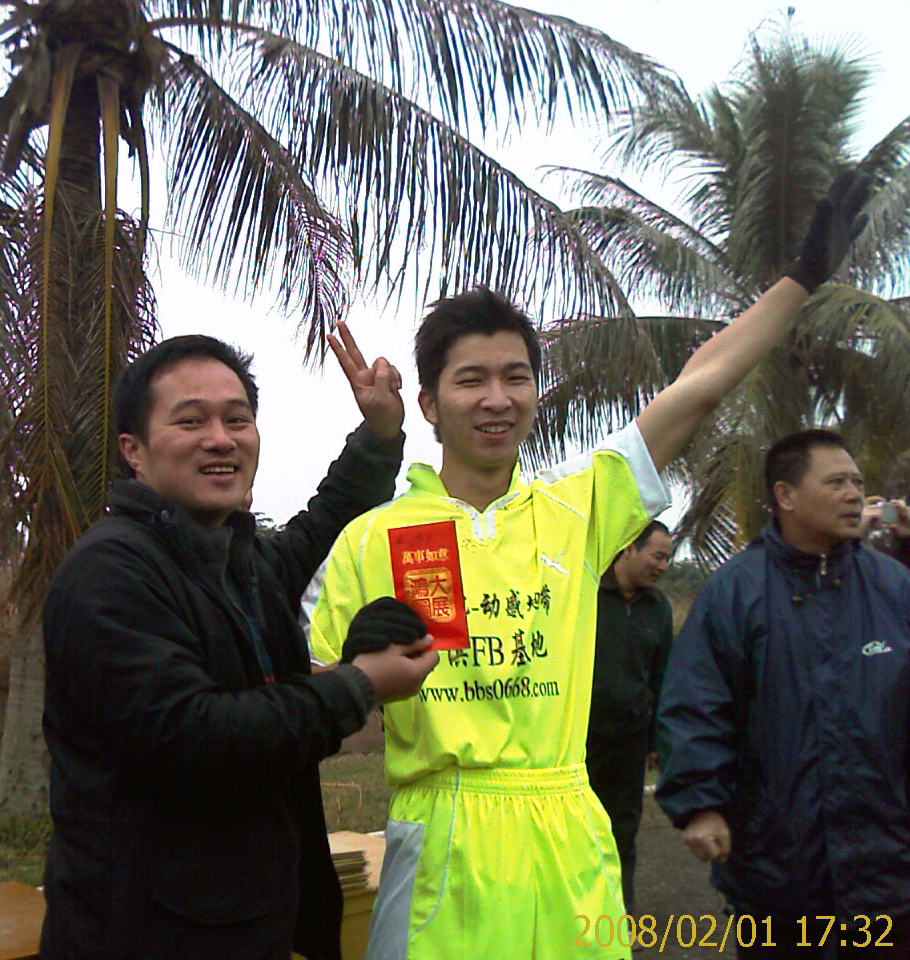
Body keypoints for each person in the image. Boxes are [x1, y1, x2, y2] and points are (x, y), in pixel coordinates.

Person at [305, 170, 872, 960]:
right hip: (439, 844)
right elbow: (311, 707)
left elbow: (699, 387)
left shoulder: (579, 506)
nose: (497, 398)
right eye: (471, 380)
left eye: (516, 377)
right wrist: (361, 681)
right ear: (429, 403)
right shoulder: (372, 540)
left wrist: (801, 280)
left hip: (567, 834)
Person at [39, 327, 440, 960]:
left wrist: (380, 435)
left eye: (237, 419)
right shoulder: (111, 572)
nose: (221, 439)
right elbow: (194, 738)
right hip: (151, 934)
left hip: (253, 921)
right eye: (190, 421)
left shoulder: (235, 560)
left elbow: (320, 526)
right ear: (134, 451)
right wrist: (357, 686)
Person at [656, 430, 910, 958]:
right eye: (836, 482)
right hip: (776, 871)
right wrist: (701, 804)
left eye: (857, 482)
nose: (853, 494)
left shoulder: (895, 587)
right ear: (785, 495)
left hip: (887, 872)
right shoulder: (734, 591)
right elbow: (697, 705)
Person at [586, 520, 674, 916]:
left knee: (623, 829)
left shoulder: (659, 608)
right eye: (657, 556)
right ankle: (574, 916)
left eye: (668, 559)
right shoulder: (586, 593)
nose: (663, 566)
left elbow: (661, 676)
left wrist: (656, 741)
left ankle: (619, 916)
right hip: (580, 740)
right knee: (576, 829)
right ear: (629, 549)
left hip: (630, 741)